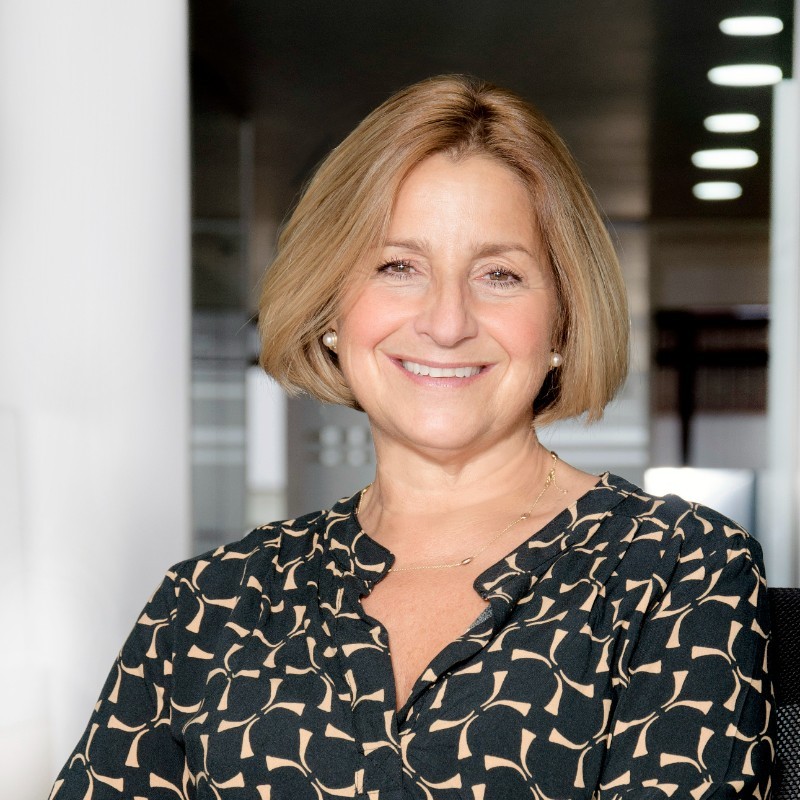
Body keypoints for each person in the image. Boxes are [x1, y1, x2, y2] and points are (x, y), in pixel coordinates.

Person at [51, 75, 773, 799]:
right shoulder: (209, 602)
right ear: (331, 307)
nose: (447, 322)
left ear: (561, 320)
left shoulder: (678, 567)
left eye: (499, 274)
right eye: (399, 267)